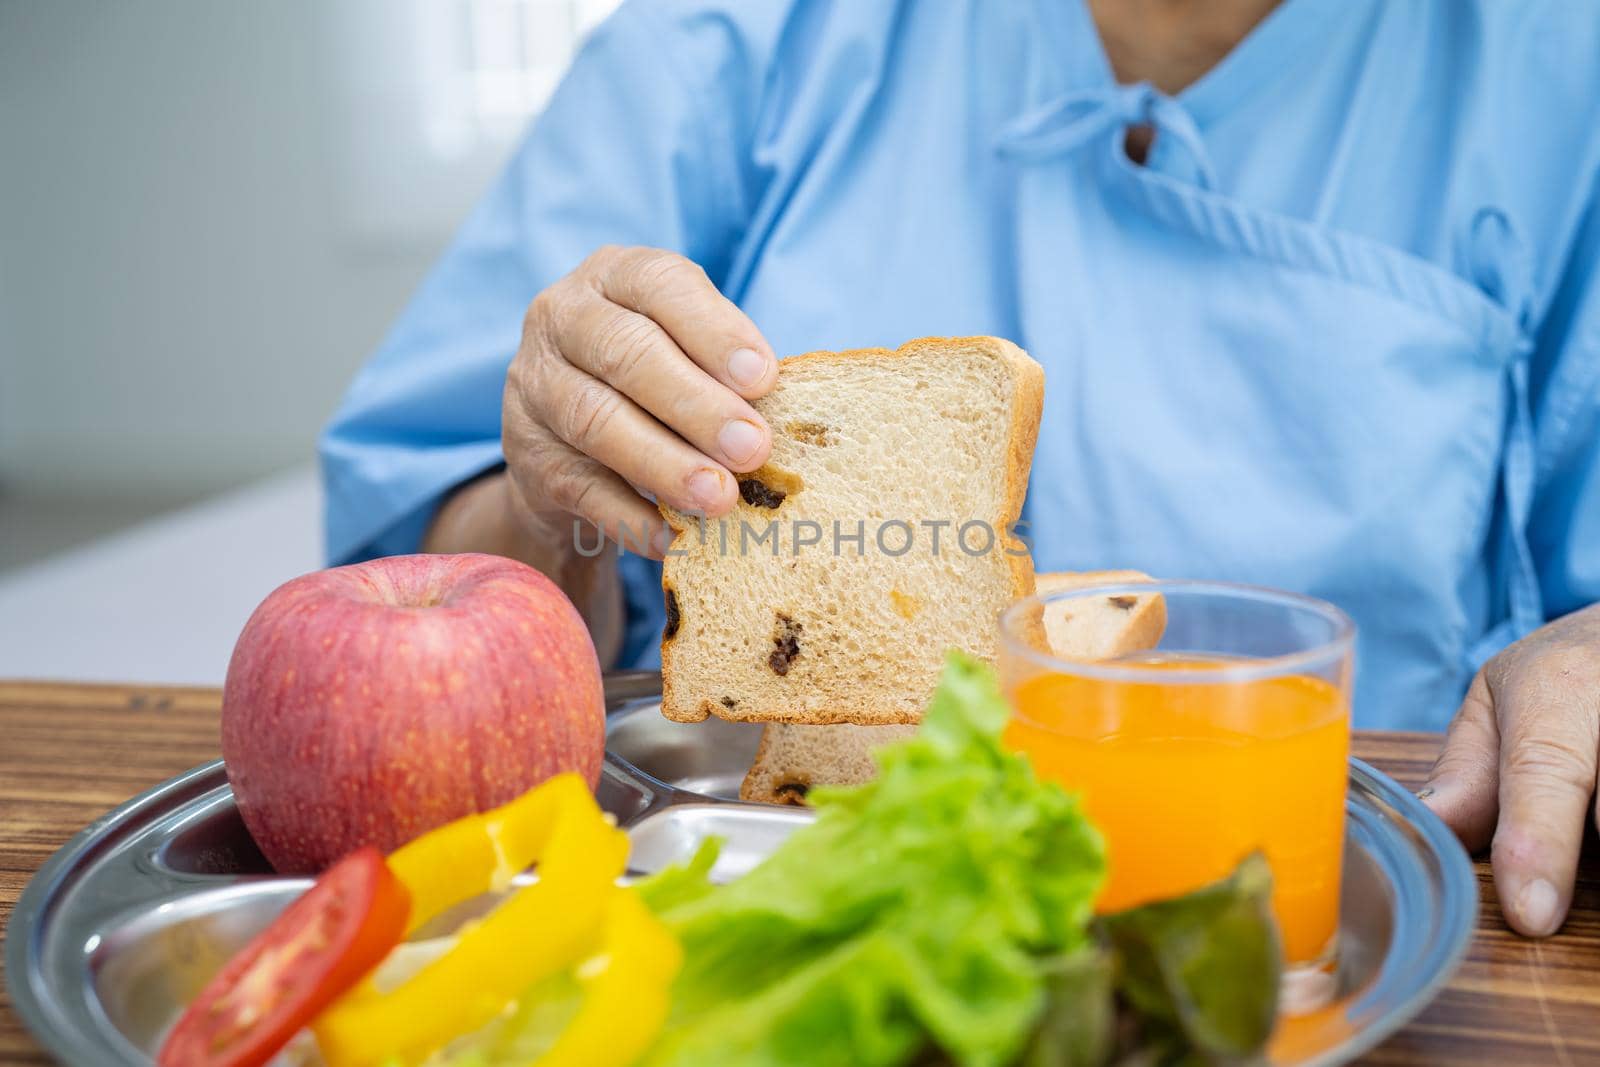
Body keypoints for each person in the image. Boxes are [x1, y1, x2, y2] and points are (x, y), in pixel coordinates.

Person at [321, 0, 1600, 938]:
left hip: (1332, 912)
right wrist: (556, 505)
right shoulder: (728, 43)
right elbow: (409, 618)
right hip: (770, 895)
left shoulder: (1560, 83)